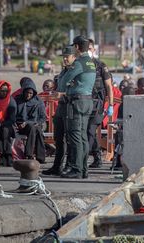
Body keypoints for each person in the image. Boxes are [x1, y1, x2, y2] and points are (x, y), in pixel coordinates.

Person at [59, 36, 96, 179]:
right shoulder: (90, 62)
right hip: (87, 101)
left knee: (75, 136)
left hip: (77, 102)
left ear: (77, 47)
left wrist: (66, 82)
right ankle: (84, 169)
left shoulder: (79, 63)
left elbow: (63, 82)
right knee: (82, 136)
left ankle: (77, 169)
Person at [42, 46, 76, 176]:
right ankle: (57, 166)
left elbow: (76, 91)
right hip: (60, 108)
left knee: (69, 139)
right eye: (64, 57)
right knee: (58, 138)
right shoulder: (63, 72)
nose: (65, 59)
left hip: (70, 106)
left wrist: (62, 94)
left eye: (67, 56)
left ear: (74, 57)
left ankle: (68, 166)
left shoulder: (75, 72)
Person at [87, 38, 114, 168]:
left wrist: (111, 105)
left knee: (90, 130)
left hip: (98, 105)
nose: (88, 52)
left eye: (90, 49)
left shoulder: (101, 66)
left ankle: (82, 158)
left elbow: (109, 87)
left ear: (94, 50)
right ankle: (97, 157)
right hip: (84, 104)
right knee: (89, 131)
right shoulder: (79, 65)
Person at [14, 78, 46, 164]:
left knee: (35, 129)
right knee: (36, 130)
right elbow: (12, 114)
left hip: (33, 125)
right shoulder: (17, 100)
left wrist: (28, 123)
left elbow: (42, 118)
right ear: (23, 91)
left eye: (30, 93)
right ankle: (35, 156)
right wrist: (16, 124)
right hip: (18, 126)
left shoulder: (38, 102)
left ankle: (30, 154)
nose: (28, 95)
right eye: (27, 93)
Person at [0, 80, 17, 166]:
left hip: (6, 125)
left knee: (5, 131)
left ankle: (7, 156)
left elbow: (12, 119)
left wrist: (0, 125)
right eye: (2, 91)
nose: (4, 93)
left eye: (6, 91)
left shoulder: (10, 101)